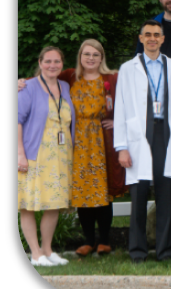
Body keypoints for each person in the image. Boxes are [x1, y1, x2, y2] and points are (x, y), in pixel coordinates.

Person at [18, 40, 126, 258]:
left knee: (101, 191)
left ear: (102, 57)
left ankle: (102, 240)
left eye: (96, 54)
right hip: (71, 145)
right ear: (80, 57)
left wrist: (118, 121)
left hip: (97, 142)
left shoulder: (109, 79)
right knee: (81, 190)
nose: (91, 58)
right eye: (87, 54)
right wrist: (21, 81)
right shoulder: (70, 77)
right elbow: (41, 81)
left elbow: (125, 103)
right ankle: (85, 241)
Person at [114, 20, 171, 263]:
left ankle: (165, 252)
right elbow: (120, 109)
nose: (152, 38)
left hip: (164, 132)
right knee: (139, 193)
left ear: (163, 39)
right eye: (148, 35)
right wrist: (121, 147)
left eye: (157, 35)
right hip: (139, 135)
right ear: (141, 38)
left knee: (165, 193)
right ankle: (137, 252)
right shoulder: (127, 68)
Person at [19, 47, 77, 267]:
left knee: (53, 204)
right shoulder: (28, 86)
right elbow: (18, 120)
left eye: (57, 61)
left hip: (60, 156)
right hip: (35, 155)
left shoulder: (64, 86)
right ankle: (35, 254)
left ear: (62, 63)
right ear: (40, 62)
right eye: (48, 61)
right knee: (29, 204)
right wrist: (20, 154)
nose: (52, 65)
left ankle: (47, 250)